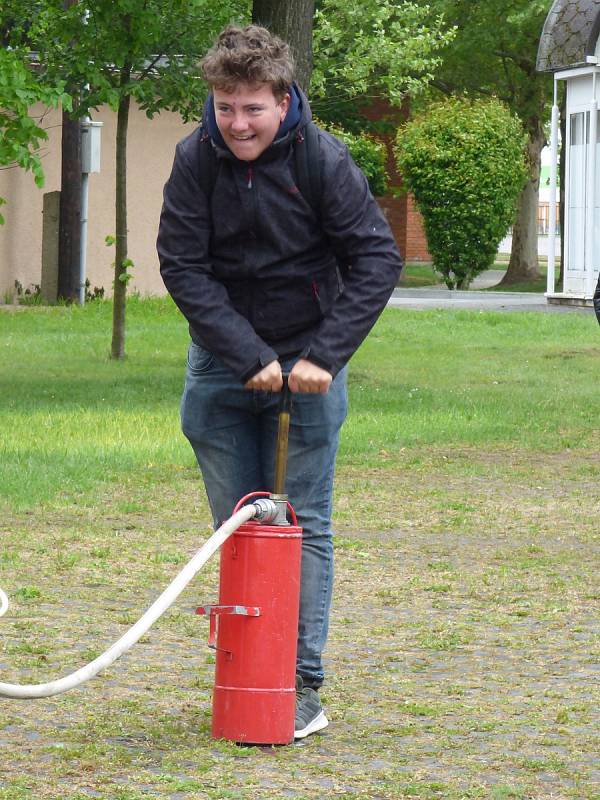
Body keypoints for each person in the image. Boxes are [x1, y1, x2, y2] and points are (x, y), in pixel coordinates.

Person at [157, 24, 402, 739]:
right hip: (223, 365)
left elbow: (376, 259)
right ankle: (246, 672)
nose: (237, 123)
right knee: (238, 528)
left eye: (252, 109)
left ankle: (299, 687)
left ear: (282, 99)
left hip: (310, 364)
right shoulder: (194, 158)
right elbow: (183, 266)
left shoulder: (322, 159)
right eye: (226, 107)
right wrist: (242, 354)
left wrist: (322, 355)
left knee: (299, 524)